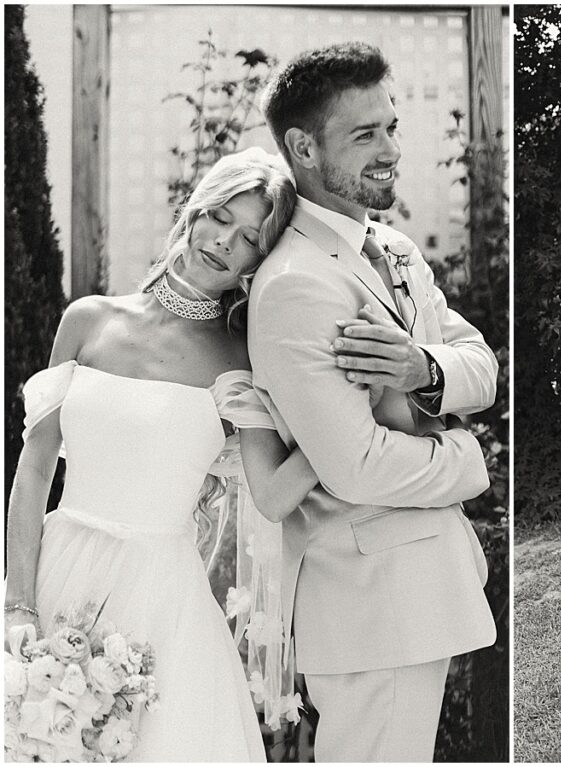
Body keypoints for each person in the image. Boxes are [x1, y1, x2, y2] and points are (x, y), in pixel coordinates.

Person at [3, 149, 327, 761]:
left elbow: (273, 494)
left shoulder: (239, 360)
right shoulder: (87, 321)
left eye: (250, 238)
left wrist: (345, 426)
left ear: (259, 262)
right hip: (55, 571)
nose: (224, 241)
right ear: (194, 212)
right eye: (219, 217)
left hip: (165, 606)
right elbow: (34, 468)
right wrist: (17, 604)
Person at [250, 42, 498, 762]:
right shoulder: (298, 283)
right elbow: (355, 465)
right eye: (365, 134)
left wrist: (424, 366)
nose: (390, 148)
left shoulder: (392, 250)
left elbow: (480, 367)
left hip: (404, 595)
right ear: (303, 147)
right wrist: (466, 456)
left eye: (391, 127)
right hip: (367, 600)